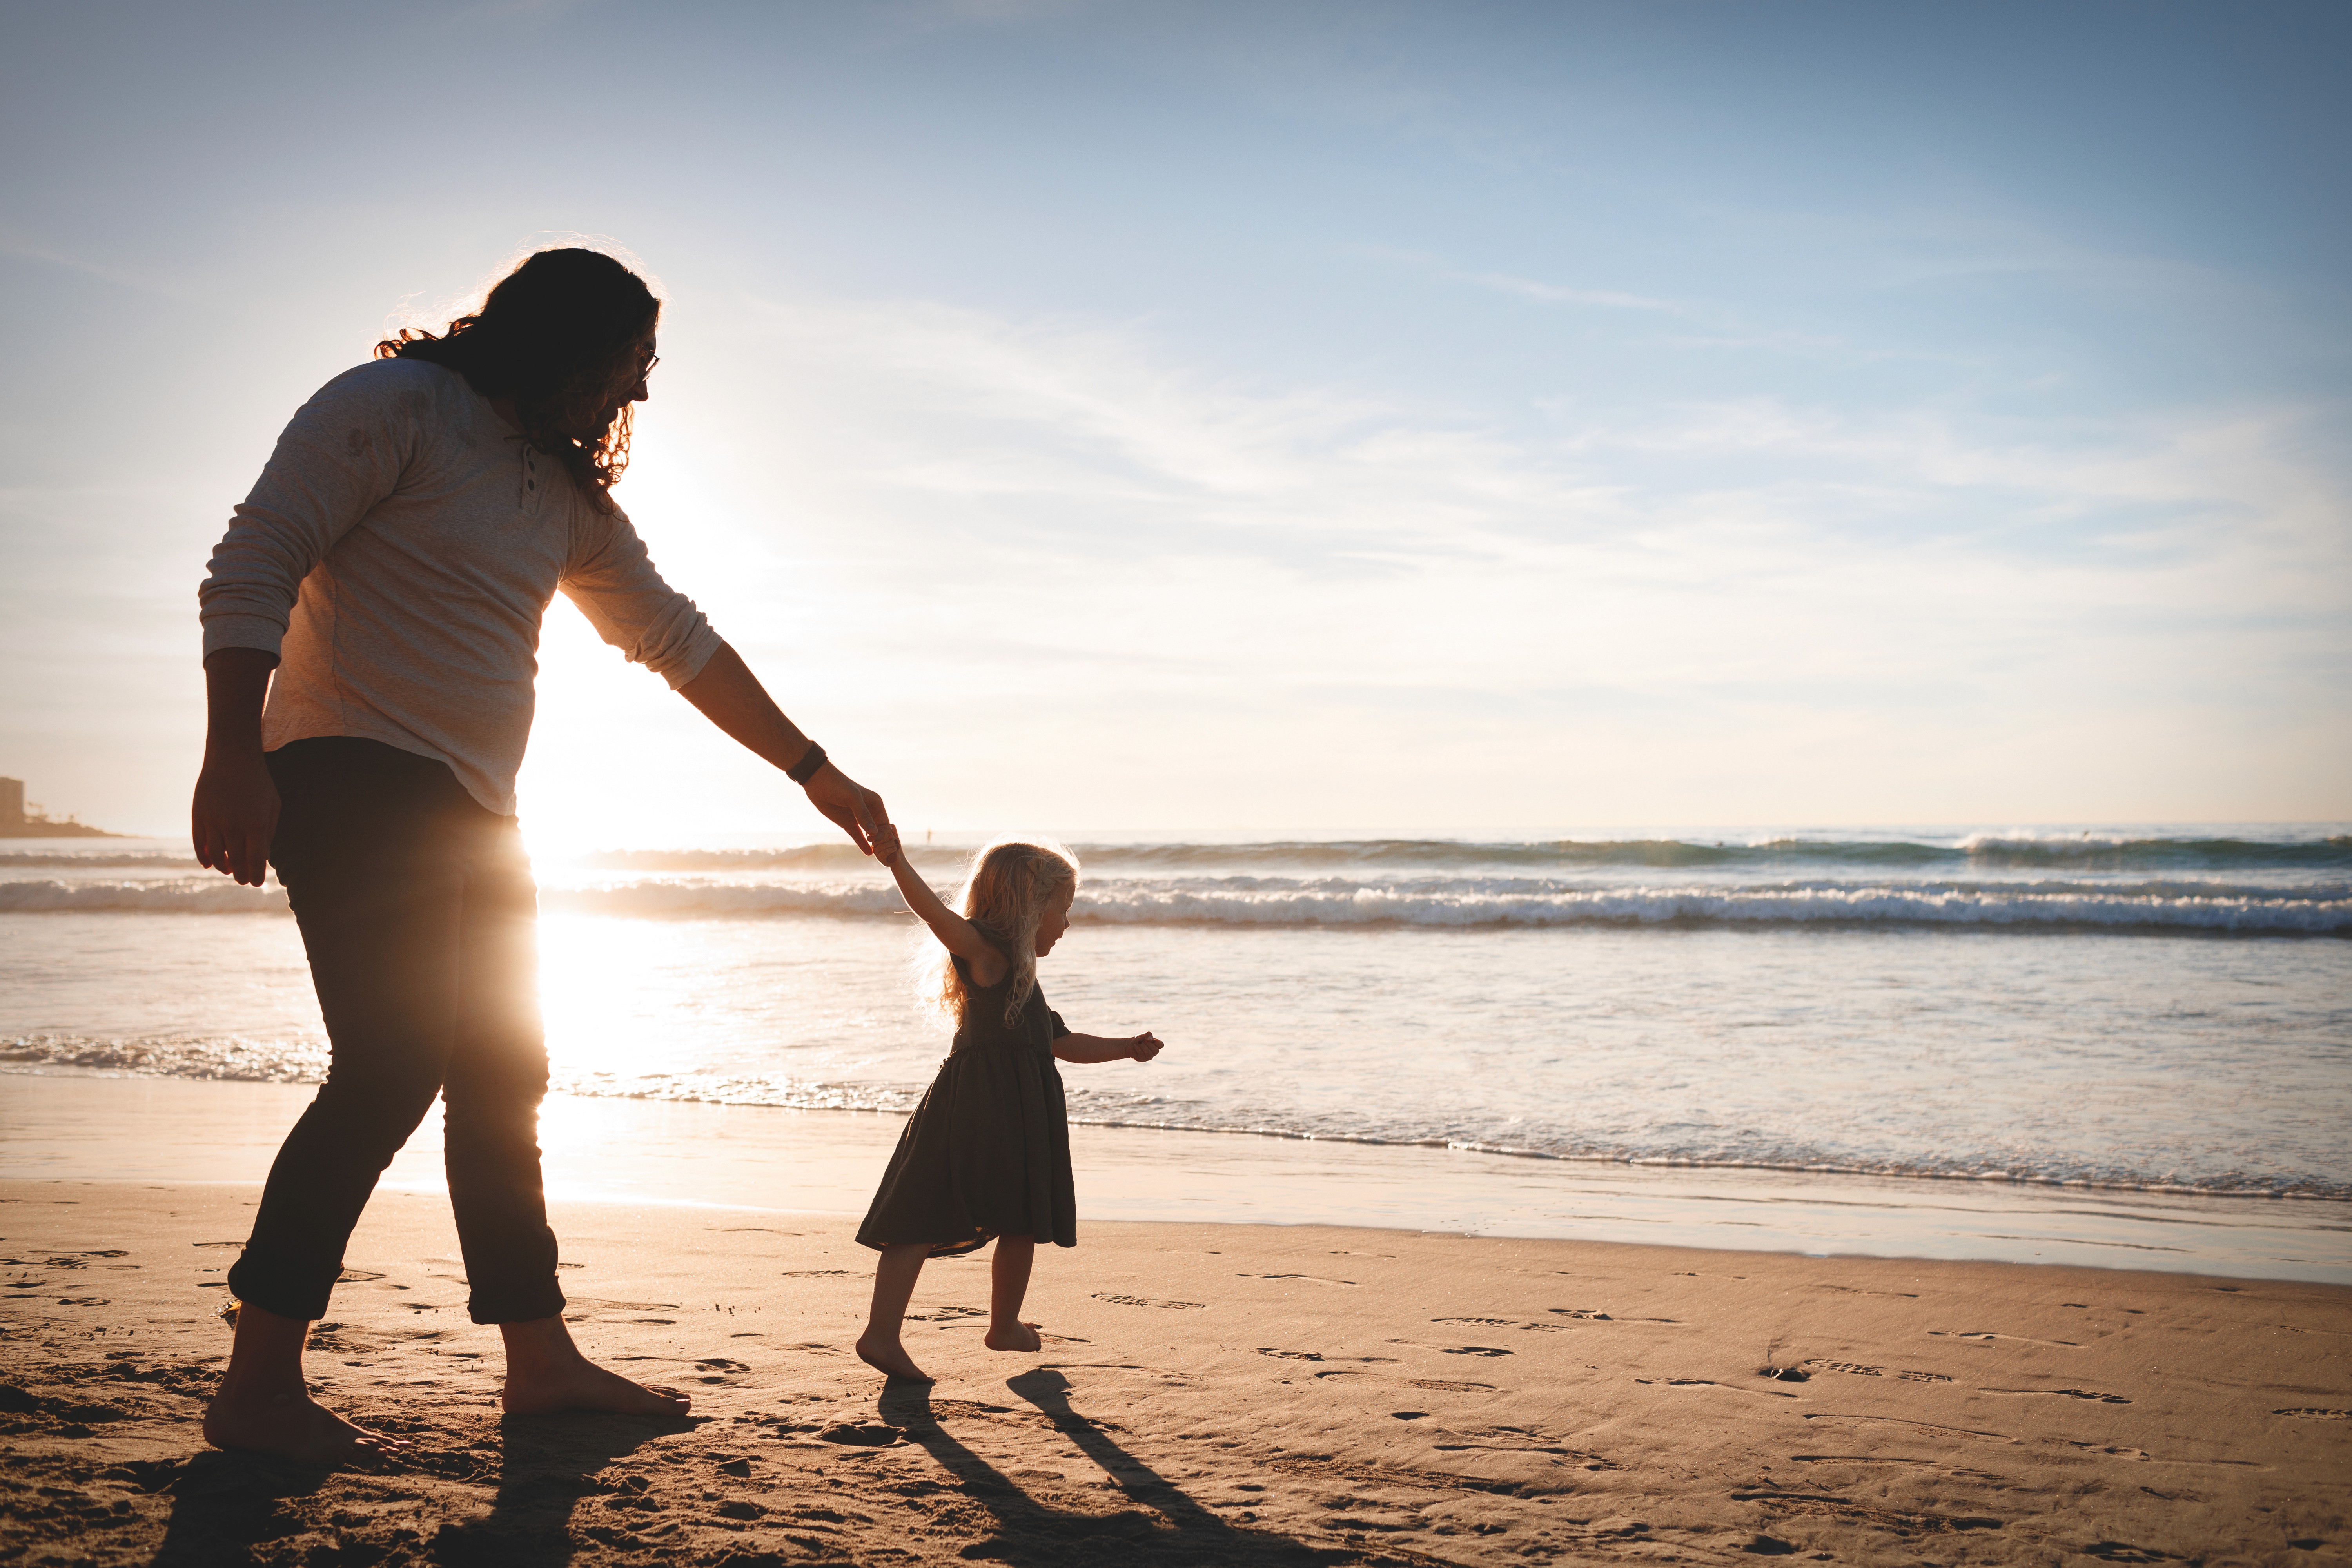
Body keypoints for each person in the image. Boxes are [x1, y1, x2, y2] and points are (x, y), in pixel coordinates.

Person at [191, 247, 895, 1462]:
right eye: (628, 363)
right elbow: (252, 563)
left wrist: (813, 769)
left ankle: (540, 1363)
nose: (637, 393)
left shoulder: (559, 495)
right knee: (390, 1064)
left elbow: (675, 638)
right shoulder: (392, 410)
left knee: (504, 1076)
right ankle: (259, 1381)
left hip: (477, 806)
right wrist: (231, 755)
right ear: (564, 343)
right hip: (347, 771)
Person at [852, 839, 1165, 1383]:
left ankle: (1005, 1325)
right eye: (1062, 909)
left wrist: (1126, 1047)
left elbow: (1060, 1043)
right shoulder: (988, 955)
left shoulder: (1022, 976)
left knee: (1021, 1218)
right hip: (973, 1109)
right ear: (1031, 903)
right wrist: (899, 863)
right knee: (922, 1215)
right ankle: (882, 1336)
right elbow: (936, 915)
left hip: (1018, 1114)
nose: (1067, 923)